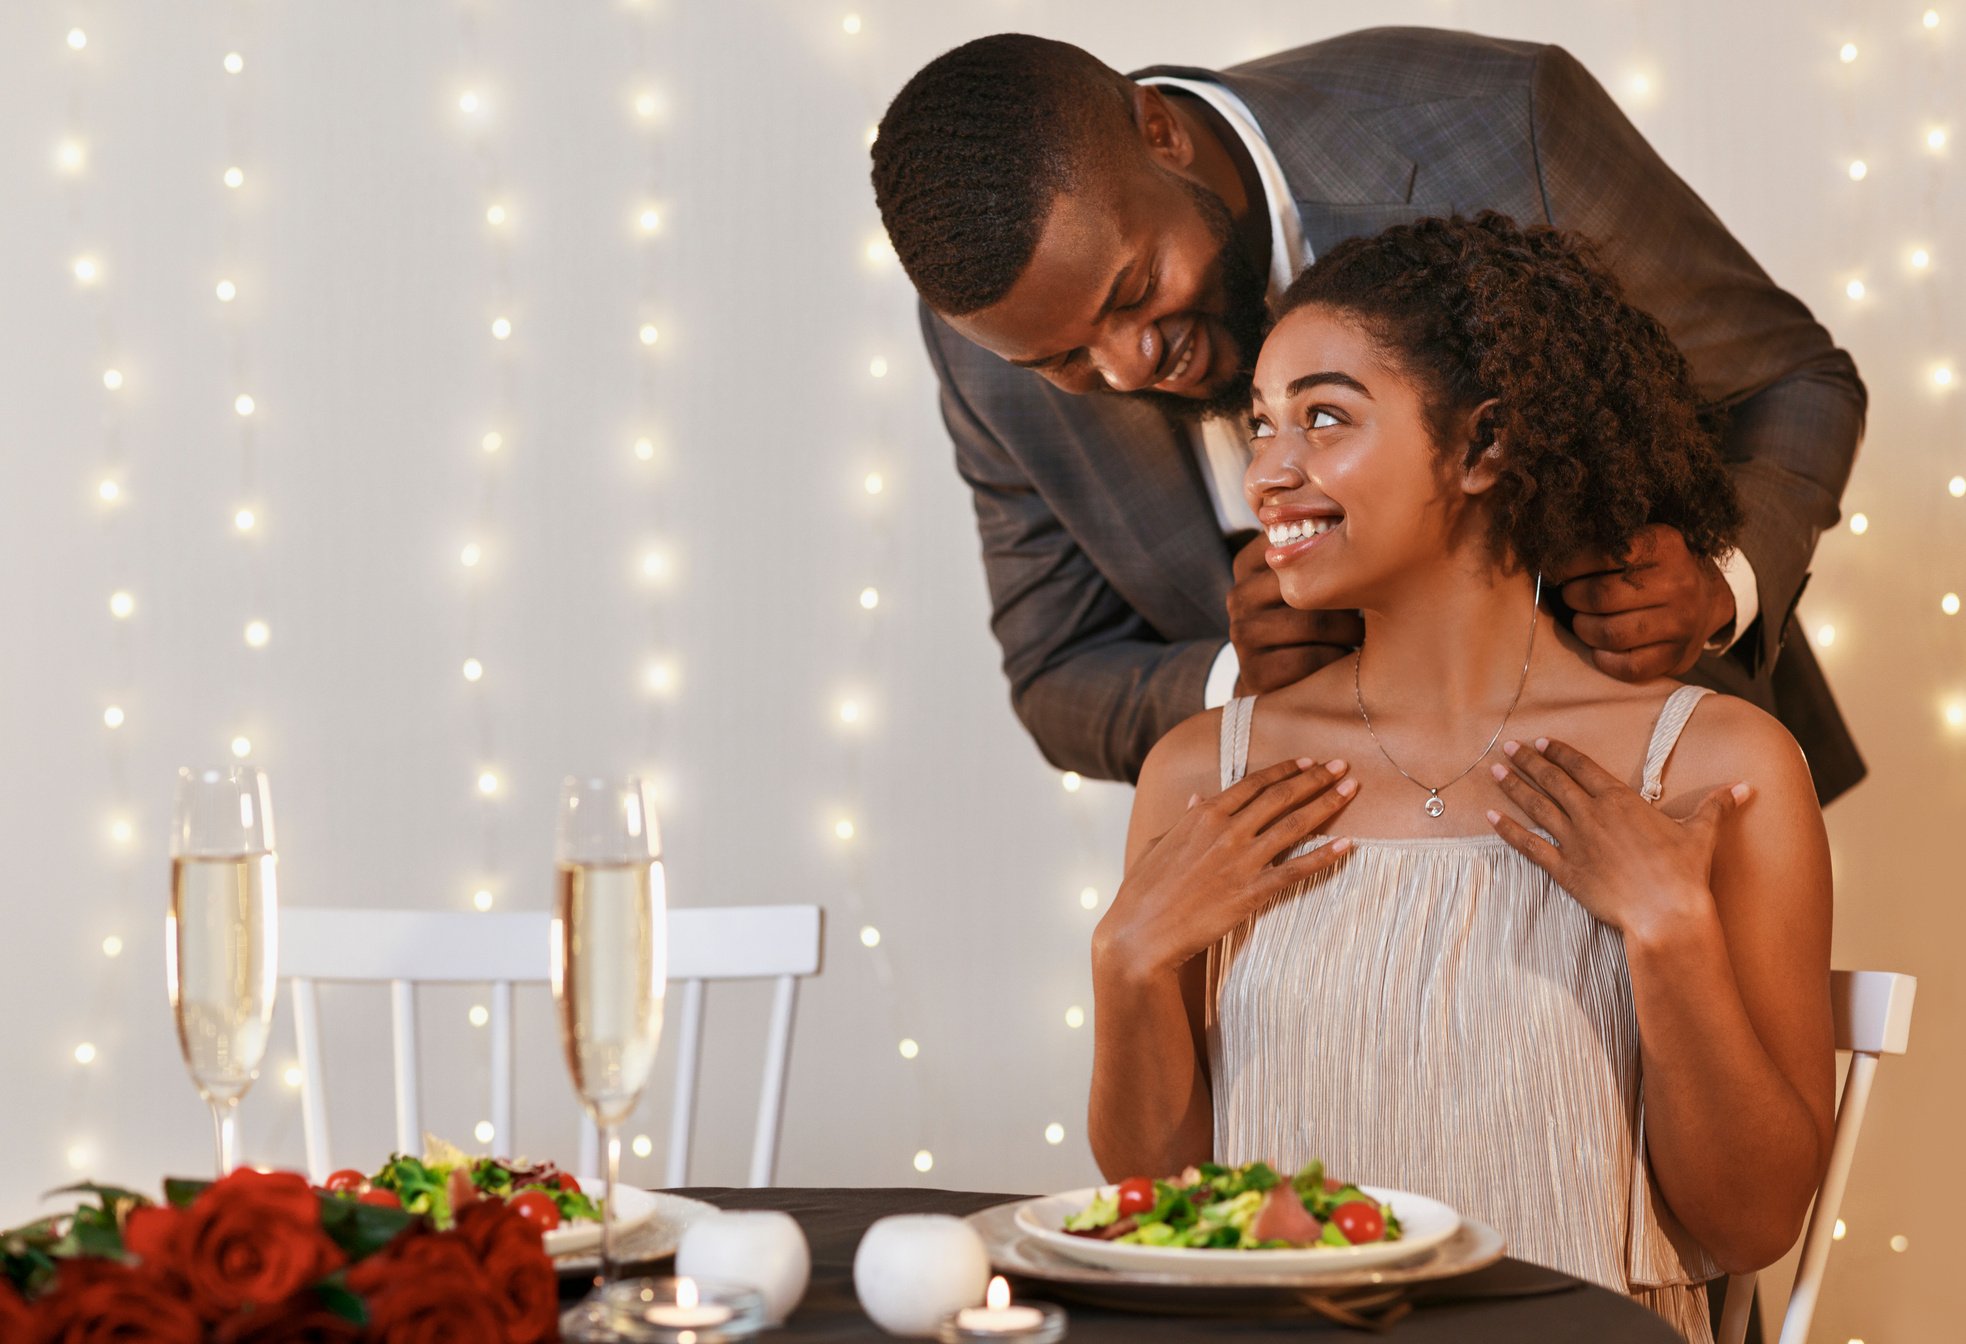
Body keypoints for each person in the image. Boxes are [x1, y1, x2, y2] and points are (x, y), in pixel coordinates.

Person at [1085, 214, 1834, 1343]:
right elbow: (1170, 1213)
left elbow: (1748, 1227)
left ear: (1483, 448)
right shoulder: (1205, 771)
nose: (1268, 477)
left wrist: (1667, 927)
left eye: (1323, 418)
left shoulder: (1718, 763)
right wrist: (1129, 962)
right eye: (1261, 427)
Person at [870, 29, 1866, 800]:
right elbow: (1057, 677)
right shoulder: (983, 346)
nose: (1128, 367)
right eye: (1064, 361)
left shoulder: (1494, 126)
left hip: (1653, 786)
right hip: (1310, 876)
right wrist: (1235, 678)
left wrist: (1714, 581)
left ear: (1160, 133)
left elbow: (1795, 382)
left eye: (1134, 291)